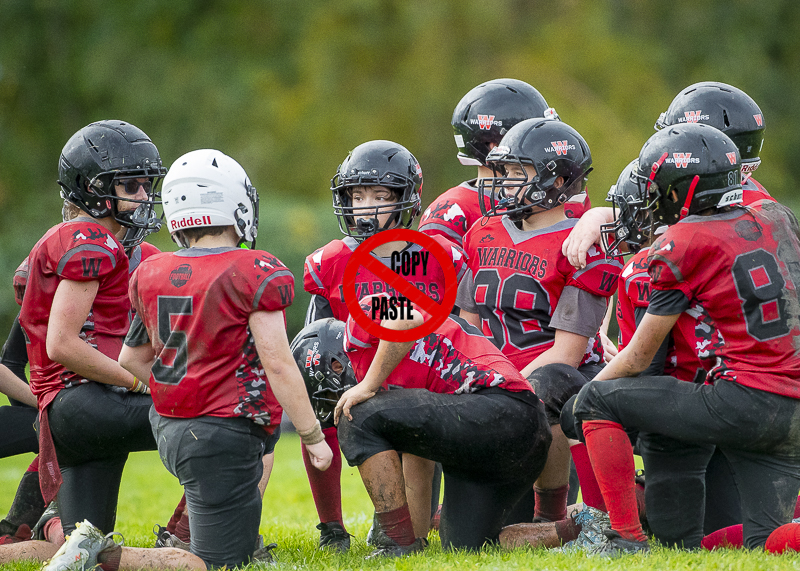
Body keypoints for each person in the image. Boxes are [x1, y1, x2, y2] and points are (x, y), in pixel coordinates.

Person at [573, 122, 800, 555]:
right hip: (792, 409)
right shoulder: (777, 216)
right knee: (765, 545)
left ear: (683, 190)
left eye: (658, 187)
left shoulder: (683, 240)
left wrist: (582, 399)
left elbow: (639, 360)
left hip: (744, 400)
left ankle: (624, 539)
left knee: (597, 400)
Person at [119, 148, 333, 568]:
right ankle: (101, 554)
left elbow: (131, 358)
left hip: (170, 428)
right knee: (214, 564)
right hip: (219, 433)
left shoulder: (151, 269)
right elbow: (278, 363)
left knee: (254, 441)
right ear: (235, 203)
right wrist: (313, 436)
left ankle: (221, 532)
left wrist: (179, 388)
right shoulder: (253, 268)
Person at [301, 140, 467, 550]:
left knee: (418, 431)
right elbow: (315, 333)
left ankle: (415, 520)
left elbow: (457, 325)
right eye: (357, 196)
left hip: (416, 367)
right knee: (317, 405)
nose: (365, 207)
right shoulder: (330, 260)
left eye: (380, 196)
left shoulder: (433, 255)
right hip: (353, 368)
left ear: (406, 200)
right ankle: (332, 527)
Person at [457, 118, 622, 525]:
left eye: (518, 173)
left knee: (546, 388)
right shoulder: (482, 231)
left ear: (559, 178)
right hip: (493, 375)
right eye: (505, 173)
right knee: (475, 533)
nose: (505, 183)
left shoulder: (583, 245)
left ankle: (553, 513)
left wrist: (502, 384)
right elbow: (468, 324)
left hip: (560, 376)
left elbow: (567, 353)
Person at [313, 295, 550, 555]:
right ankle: (577, 526)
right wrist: (416, 538)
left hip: (505, 408)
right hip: (519, 430)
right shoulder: (395, 369)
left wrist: (368, 384)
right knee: (467, 547)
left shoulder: (360, 318)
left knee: (356, 415)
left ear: (335, 363)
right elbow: (419, 451)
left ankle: (395, 542)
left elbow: (406, 319)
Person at [419, 78, 587, 246]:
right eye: (529, 134)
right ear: (494, 146)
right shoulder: (451, 212)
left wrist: (599, 216)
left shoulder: (558, 191)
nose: (544, 141)